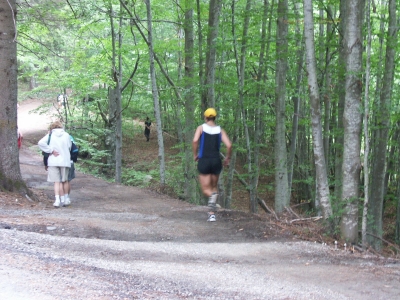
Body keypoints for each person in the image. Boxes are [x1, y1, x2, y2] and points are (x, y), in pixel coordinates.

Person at [192, 108, 232, 222]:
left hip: (204, 160)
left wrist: (195, 154)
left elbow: (195, 141)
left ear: (205, 117)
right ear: (215, 118)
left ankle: (213, 204)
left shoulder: (201, 128)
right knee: (214, 188)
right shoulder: (220, 130)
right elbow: (229, 145)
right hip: (216, 161)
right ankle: (212, 215)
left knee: (206, 190)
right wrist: (228, 157)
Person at [38, 121, 72, 208]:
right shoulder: (67, 135)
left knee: (56, 182)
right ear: (61, 127)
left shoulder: (50, 135)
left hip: (53, 160)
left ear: (52, 127)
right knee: (65, 180)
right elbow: (69, 146)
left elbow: (40, 143)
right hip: (64, 160)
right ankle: (66, 199)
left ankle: (57, 200)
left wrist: (51, 150)